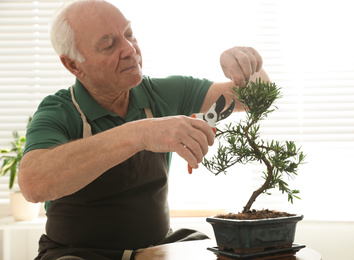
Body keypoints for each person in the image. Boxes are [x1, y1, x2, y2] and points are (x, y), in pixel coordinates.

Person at [18, 0, 270, 259]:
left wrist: (248, 65)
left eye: (129, 34)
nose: (130, 49)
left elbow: (254, 97)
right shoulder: (59, 110)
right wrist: (139, 134)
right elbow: (33, 184)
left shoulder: (161, 93)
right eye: (109, 44)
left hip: (156, 249)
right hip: (75, 253)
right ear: (73, 65)